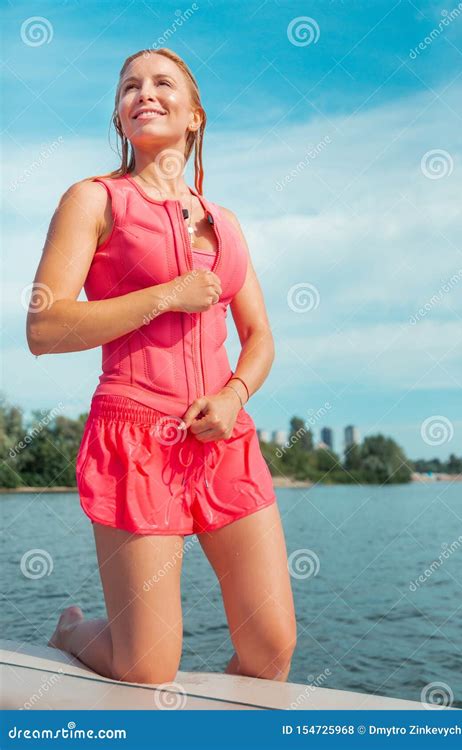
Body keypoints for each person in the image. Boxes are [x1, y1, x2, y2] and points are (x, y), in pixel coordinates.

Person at [27, 48, 297, 686]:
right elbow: (43, 327)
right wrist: (167, 295)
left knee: (272, 648)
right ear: (120, 118)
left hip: (224, 441)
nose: (143, 93)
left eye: (161, 83)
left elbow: (259, 337)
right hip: (135, 441)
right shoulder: (94, 200)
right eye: (129, 88)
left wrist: (233, 394)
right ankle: (73, 630)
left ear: (195, 116)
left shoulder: (226, 223)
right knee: (147, 668)